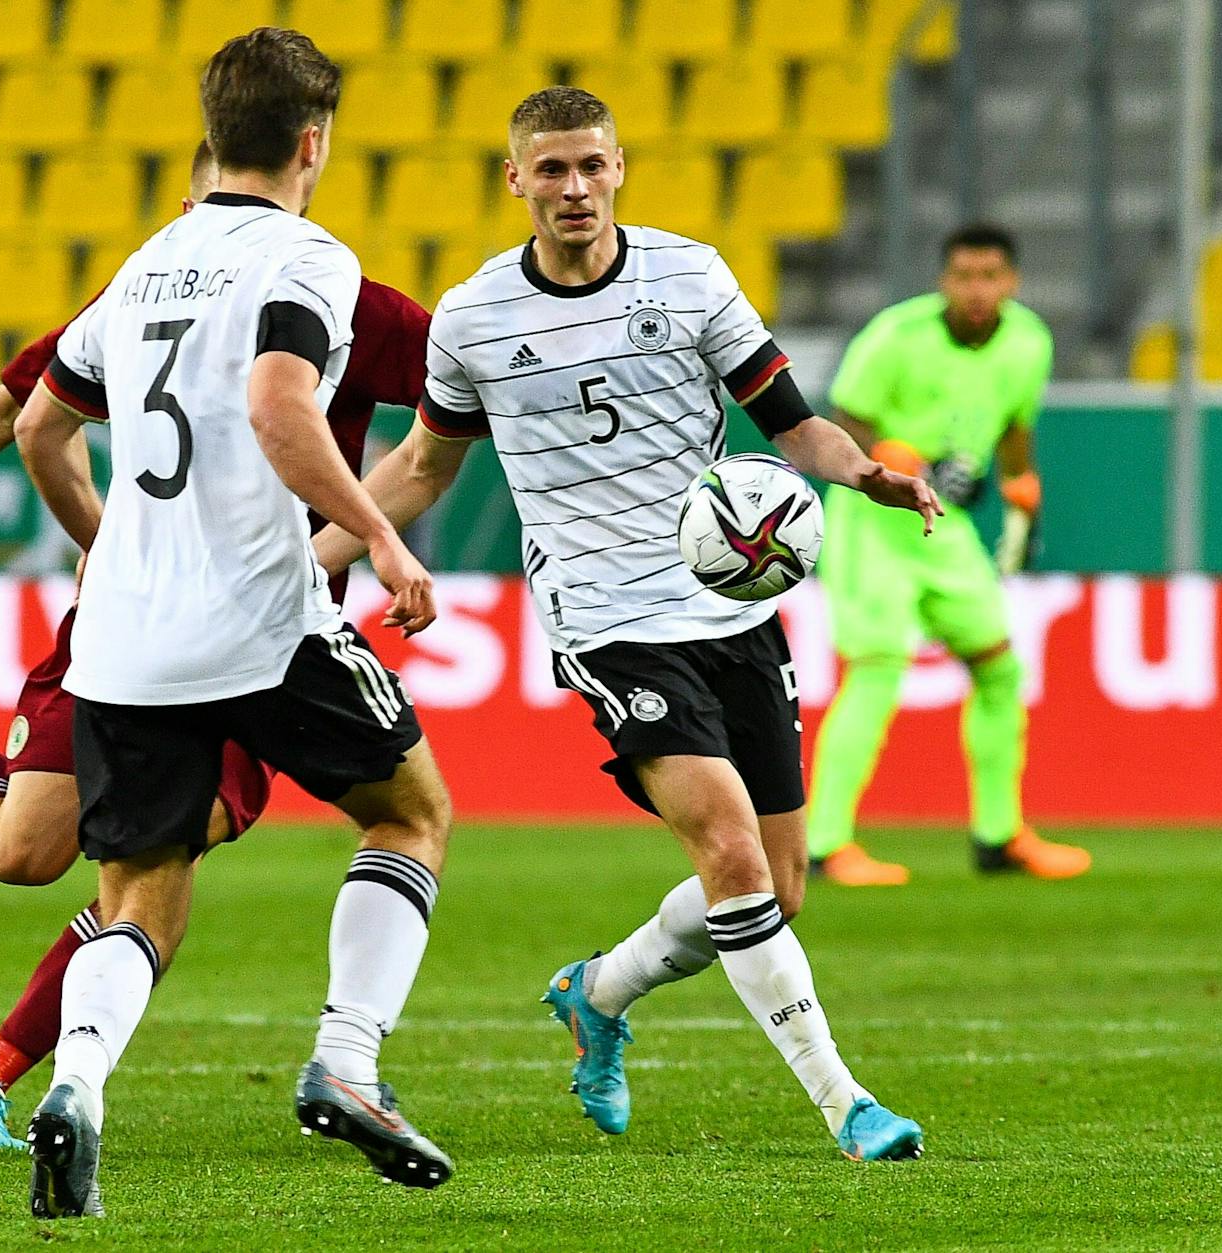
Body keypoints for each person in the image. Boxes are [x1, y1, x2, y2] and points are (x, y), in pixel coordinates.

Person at [0, 137, 432, 1154]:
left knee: (161, 857)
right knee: (21, 854)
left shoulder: (346, 301)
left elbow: (447, 423)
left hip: (256, 635)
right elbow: (18, 408)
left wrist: (331, 545)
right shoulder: (151, 284)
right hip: (135, 619)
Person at [314, 86, 931, 1162]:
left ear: (618, 170)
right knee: (731, 851)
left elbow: (792, 427)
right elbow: (419, 466)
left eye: (589, 167)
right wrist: (309, 563)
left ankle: (596, 991)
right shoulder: (471, 318)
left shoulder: (689, 277)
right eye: (548, 170)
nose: (572, 189)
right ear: (515, 182)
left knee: (776, 885)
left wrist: (866, 474)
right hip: (604, 619)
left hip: (731, 605)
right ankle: (845, 1104)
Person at [11, 28, 454, 1217]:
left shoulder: (141, 266)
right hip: (262, 615)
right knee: (409, 812)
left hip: (125, 637)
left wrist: (110, 548)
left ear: (212, 140)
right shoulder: (304, 257)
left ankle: (81, 1089)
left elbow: (39, 432)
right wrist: (386, 532)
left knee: (138, 888)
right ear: (312, 143)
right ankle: (347, 1061)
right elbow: (277, 403)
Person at [804, 225, 1093, 886]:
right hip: (874, 520)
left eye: (990, 276)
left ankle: (999, 834)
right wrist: (907, 460)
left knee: (998, 668)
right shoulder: (896, 335)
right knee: (876, 672)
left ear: (1011, 281)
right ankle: (826, 844)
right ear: (944, 280)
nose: (976, 289)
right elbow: (847, 417)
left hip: (947, 528)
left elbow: (1017, 426)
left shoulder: (1029, 342)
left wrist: (1023, 488)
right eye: (964, 276)